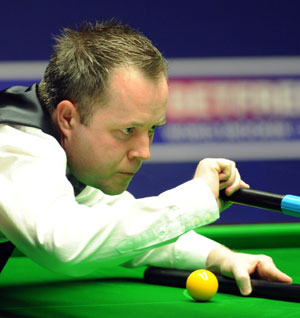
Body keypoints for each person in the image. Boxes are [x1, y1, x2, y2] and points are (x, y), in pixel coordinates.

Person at [0, 20, 291, 296]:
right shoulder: (17, 142)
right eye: (127, 129)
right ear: (67, 118)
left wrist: (221, 258)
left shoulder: (58, 151)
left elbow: (118, 229)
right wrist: (195, 199)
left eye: (151, 129)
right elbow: (64, 245)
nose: (144, 152)